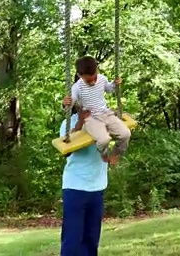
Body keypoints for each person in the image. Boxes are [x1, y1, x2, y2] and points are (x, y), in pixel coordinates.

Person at [62, 56, 131, 164]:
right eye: (89, 80)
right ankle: (103, 153)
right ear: (80, 75)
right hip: (91, 118)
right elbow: (71, 102)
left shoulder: (102, 78)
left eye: (95, 78)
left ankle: (116, 153)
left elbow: (109, 89)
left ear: (97, 70)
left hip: (106, 113)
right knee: (104, 140)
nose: (93, 82)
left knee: (125, 134)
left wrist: (114, 84)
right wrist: (65, 103)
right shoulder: (76, 87)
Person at [60, 105, 108, 256]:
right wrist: (80, 122)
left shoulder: (103, 121)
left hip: (97, 187)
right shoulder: (69, 122)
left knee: (92, 239)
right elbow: (67, 150)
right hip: (75, 187)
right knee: (73, 239)